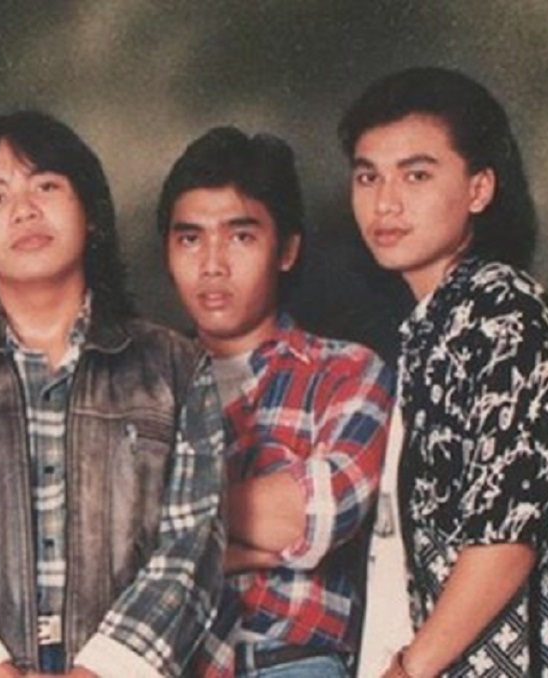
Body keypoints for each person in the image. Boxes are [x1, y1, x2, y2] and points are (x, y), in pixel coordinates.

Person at [0, 110, 226, 677]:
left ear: (91, 214)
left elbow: (193, 545)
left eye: (47, 186)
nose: (25, 210)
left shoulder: (177, 367)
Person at [340, 66, 548, 677]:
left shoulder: (503, 309)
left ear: (479, 189)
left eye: (417, 175)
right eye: (368, 176)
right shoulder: (436, 321)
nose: (385, 202)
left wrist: (412, 667)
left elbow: (509, 531)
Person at [158, 127, 394, 677]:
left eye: (240, 237)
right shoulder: (142, 383)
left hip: (290, 662)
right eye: (190, 239)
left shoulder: (346, 371)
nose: (212, 264)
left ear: (286, 250)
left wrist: (163, 523)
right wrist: (241, 536)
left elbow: (319, 516)